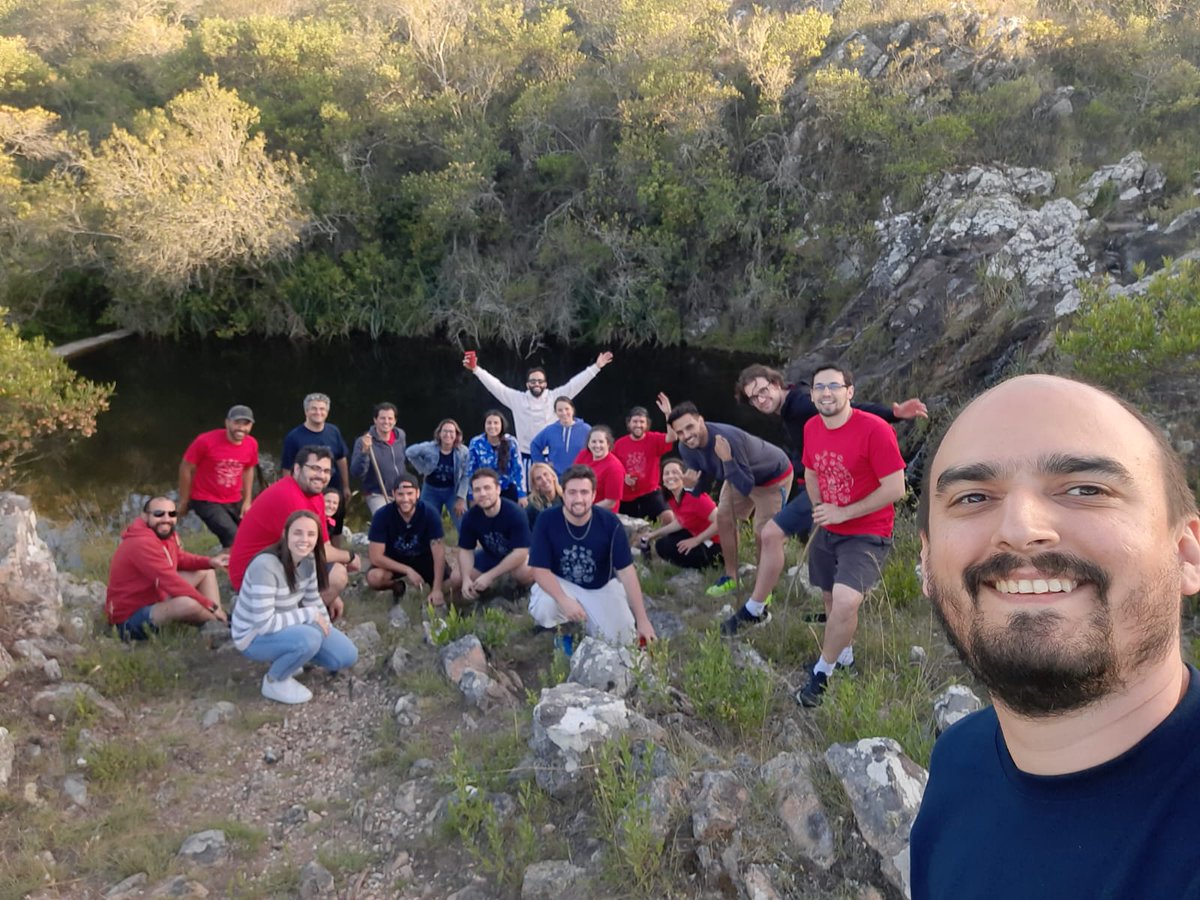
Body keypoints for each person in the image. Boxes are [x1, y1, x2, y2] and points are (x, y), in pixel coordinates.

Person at [909, 374, 1200, 899]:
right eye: (974, 497)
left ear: (1186, 553)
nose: (1020, 528)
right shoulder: (959, 761)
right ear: (927, 564)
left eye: (1087, 489)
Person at [735, 363, 926, 626]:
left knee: (771, 533)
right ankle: (833, 615)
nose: (760, 399)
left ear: (776, 384)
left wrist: (893, 413)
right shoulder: (792, 404)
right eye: (753, 397)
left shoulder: (800, 403)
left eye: (763, 390)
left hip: (825, 487)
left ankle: (754, 609)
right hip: (816, 484)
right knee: (827, 551)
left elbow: (849, 410)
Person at [792, 364, 906, 701]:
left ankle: (821, 674)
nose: (826, 393)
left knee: (845, 601)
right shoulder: (812, 427)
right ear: (811, 395)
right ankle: (844, 656)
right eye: (819, 387)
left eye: (834, 386)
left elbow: (896, 487)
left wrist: (845, 512)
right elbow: (811, 472)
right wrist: (820, 508)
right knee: (829, 597)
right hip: (828, 528)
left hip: (867, 530)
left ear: (849, 391)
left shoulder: (875, 430)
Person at [665, 400, 793, 610]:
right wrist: (691, 486)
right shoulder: (685, 447)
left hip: (772, 478)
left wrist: (727, 460)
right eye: (680, 432)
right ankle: (731, 576)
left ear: (701, 421)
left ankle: (763, 589)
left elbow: (747, 485)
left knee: (764, 533)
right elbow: (703, 477)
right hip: (735, 473)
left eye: (690, 427)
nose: (686, 435)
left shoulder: (727, 440)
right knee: (723, 518)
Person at [232, 510, 358, 705]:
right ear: (286, 534)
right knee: (309, 639)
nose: (304, 540)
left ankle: (291, 656)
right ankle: (275, 680)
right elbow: (265, 624)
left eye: (311, 534)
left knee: (346, 655)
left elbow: (313, 600)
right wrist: (309, 615)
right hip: (253, 636)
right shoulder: (265, 566)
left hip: (285, 625)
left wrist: (326, 627)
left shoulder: (308, 561)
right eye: (298, 533)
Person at [528, 464, 656, 649]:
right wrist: (564, 600)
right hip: (562, 583)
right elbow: (539, 569)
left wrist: (642, 620)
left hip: (600, 587)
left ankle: (590, 626)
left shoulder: (610, 523)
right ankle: (565, 633)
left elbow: (627, 572)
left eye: (584, 492)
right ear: (563, 493)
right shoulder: (547, 519)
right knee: (546, 607)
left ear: (594, 495)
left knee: (622, 639)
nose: (578, 499)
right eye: (572, 492)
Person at [228, 446, 359, 622]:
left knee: (334, 572)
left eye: (326, 471)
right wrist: (349, 556)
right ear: (297, 469)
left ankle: (302, 614)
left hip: (282, 561)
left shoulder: (316, 496)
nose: (321, 475)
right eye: (315, 468)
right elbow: (317, 553)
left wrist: (333, 595)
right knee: (338, 574)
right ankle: (291, 622)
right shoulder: (289, 496)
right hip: (253, 576)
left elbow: (323, 546)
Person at [463, 351, 615, 472]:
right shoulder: (517, 399)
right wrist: (476, 370)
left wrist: (596, 367)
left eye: (540, 381)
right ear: (527, 384)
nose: (537, 384)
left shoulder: (555, 397)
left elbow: (575, 384)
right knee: (527, 498)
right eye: (533, 381)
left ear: (546, 383)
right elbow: (496, 386)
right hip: (524, 456)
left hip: (551, 458)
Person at [105, 496, 228, 640]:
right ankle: (222, 623)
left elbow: (179, 558)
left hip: (154, 597)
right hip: (130, 618)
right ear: (145, 516)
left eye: (171, 514)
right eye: (159, 514)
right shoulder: (141, 542)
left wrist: (210, 562)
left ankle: (215, 622)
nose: (166, 518)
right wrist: (209, 605)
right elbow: (171, 581)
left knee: (206, 571)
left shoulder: (164, 533)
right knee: (187, 604)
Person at [366, 475, 460, 608]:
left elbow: (438, 554)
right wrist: (408, 570)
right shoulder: (382, 516)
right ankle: (398, 587)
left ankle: (434, 595)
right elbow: (375, 557)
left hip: (425, 558)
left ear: (418, 493)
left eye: (410, 494)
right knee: (374, 578)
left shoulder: (430, 513)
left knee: (455, 582)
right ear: (393, 494)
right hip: (396, 559)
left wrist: (437, 588)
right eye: (400, 494)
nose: (405, 499)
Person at [177, 405, 259, 548]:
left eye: (246, 424)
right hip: (205, 499)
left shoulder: (251, 444)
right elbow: (186, 467)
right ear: (227, 422)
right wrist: (184, 500)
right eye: (236, 423)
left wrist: (247, 501)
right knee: (232, 537)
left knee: (254, 533)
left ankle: (235, 564)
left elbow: (248, 470)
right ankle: (229, 566)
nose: (241, 428)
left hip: (234, 498)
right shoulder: (205, 441)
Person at [458, 469, 534, 601]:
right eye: (477, 490)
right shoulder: (470, 516)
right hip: (491, 554)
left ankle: (525, 593)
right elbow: (465, 550)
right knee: (456, 577)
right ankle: (466, 601)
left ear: (498, 489)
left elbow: (521, 552)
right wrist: (465, 579)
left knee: (523, 572)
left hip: (519, 555)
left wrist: (489, 575)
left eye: (487, 488)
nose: (482, 494)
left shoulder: (515, 513)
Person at [280, 393, 351, 532]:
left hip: (333, 488)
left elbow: (341, 458)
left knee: (336, 526)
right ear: (306, 411)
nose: (318, 412)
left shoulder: (333, 431)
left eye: (322, 409)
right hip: (307, 490)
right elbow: (287, 468)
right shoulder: (294, 437)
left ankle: (335, 552)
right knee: (309, 524)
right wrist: (289, 493)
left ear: (327, 412)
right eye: (314, 409)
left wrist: (346, 486)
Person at [642, 460, 722, 569]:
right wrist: (654, 534)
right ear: (663, 480)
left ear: (684, 477)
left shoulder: (695, 497)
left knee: (668, 548)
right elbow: (682, 521)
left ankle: (712, 565)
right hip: (699, 535)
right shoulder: (672, 497)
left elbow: (722, 521)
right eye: (666, 473)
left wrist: (696, 540)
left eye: (675, 472)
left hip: (716, 545)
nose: (670, 476)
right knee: (662, 543)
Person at [612, 397, 676, 524]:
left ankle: (665, 542)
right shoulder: (619, 444)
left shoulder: (654, 439)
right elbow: (613, 467)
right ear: (629, 423)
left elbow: (673, 437)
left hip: (650, 493)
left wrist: (668, 414)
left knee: (669, 517)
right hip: (626, 497)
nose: (638, 425)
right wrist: (624, 477)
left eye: (642, 422)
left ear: (647, 424)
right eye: (635, 421)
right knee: (620, 525)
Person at [407, 418, 470, 533]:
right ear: (439, 433)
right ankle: (429, 549)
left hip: (453, 491)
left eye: (451, 432)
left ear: (456, 435)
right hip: (431, 490)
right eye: (445, 431)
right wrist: (423, 469)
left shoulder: (463, 452)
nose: (448, 435)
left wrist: (461, 498)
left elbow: (466, 475)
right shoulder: (429, 447)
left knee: (464, 522)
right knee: (426, 524)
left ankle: (467, 549)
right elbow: (410, 452)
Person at [350, 403, 408, 515]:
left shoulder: (400, 436)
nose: (386, 422)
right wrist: (364, 452)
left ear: (395, 421)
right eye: (382, 418)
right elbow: (356, 472)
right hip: (377, 494)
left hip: (400, 491)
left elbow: (402, 461)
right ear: (375, 420)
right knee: (384, 520)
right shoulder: (364, 441)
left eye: (390, 418)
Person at [467, 410, 525, 504]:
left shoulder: (511, 442)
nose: (492, 426)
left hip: (507, 490)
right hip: (484, 491)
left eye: (496, 423)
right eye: (489, 423)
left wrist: (521, 494)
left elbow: (518, 469)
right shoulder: (476, 443)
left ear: (502, 425)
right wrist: (471, 495)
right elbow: (470, 470)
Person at [529, 397, 590, 476]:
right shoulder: (550, 430)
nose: (564, 413)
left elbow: (594, 449)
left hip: (580, 476)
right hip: (556, 477)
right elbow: (534, 445)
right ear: (555, 412)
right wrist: (544, 465)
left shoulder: (586, 429)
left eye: (567, 409)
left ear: (572, 410)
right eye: (560, 410)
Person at [572, 425, 625, 512]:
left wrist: (586, 510)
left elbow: (611, 502)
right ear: (588, 443)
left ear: (608, 444)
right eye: (593, 442)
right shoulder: (583, 455)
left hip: (600, 514)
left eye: (601, 442)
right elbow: (572, 477)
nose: (597, 445)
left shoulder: (615, 468)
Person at [526, 462, 562, 531]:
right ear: (535, 485)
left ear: (553, 476)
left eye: (546, 474)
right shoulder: (532, 508)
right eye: (538, 478)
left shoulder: (566, 499)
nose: (544, 480)